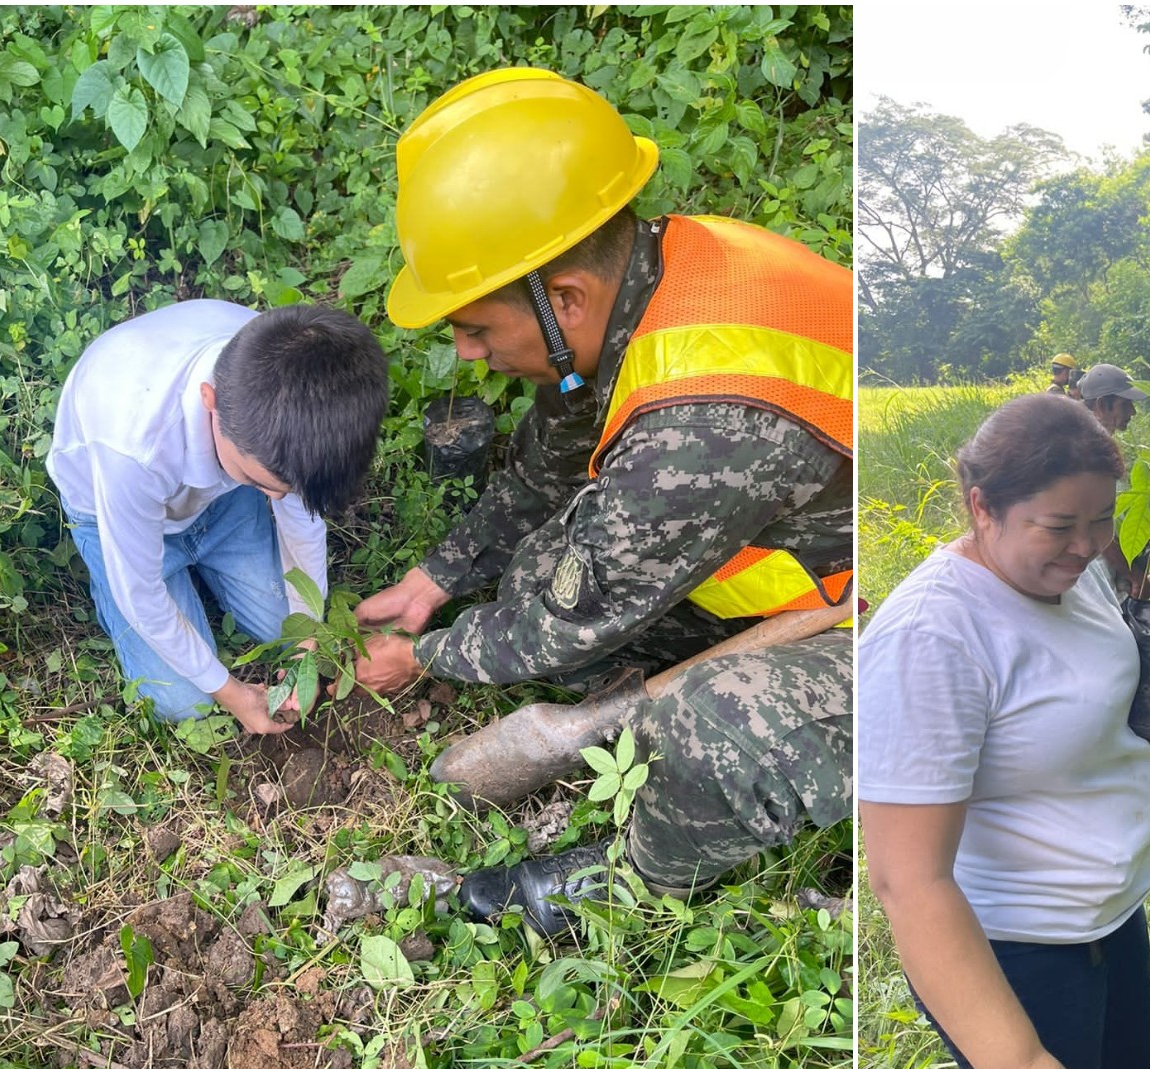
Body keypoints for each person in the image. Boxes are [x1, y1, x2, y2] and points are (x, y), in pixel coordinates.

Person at [350, 68, 854, 931]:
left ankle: (626, 882)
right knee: (550, 562)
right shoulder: (649, 280)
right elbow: (553, 464)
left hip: (889, 623)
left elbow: (556, 618)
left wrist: (425, 658)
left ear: (564, 302)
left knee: (715, 728)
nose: (468, 353)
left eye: (475, 328)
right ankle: (632, 723)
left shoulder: (699, 424)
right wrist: (437, 578)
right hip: (800, 567)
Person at [860, 394, 1150, 1069]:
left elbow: (1075, 700)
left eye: (1100, 520)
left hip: (1110, 915)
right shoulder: (932, 636)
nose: (1088, 545)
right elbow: (908, 879)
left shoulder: (1072, 573)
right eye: (1060, 525)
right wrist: (1019, 1068)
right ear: (981, 507)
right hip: (1019, 947)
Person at [47, 302, 389, 731]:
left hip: (222, 496)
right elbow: (143, 595)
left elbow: (301, 518)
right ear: (210, 400)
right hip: (113, 509)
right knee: (185, 703)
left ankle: (219, 535)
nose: (277, 498)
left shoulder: (289, 379)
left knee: (281, 629)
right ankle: (110, 581)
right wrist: (233, 694)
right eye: (264, 484)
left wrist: (306, 640)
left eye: (284, 490)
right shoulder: (131, 447)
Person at [1077, 363, 1149, 598]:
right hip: (1097, 569)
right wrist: (1133, 574)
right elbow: (1094, 525)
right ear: (1101, 405)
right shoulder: (1089, 449)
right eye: (1124, 404)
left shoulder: (1096, 442)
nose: (1132, 412)